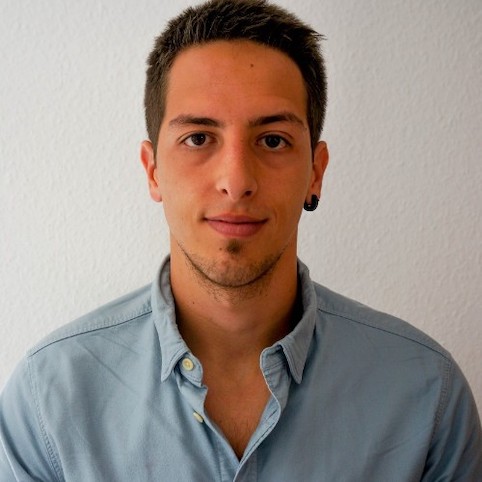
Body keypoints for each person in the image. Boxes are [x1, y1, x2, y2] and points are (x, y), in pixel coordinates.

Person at [1, 0, 481, 480]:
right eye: (198, 138)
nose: (236, 181)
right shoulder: (47, 402)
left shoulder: (427, 394)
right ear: (153, 171)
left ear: (315, 172)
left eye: (272, 139)